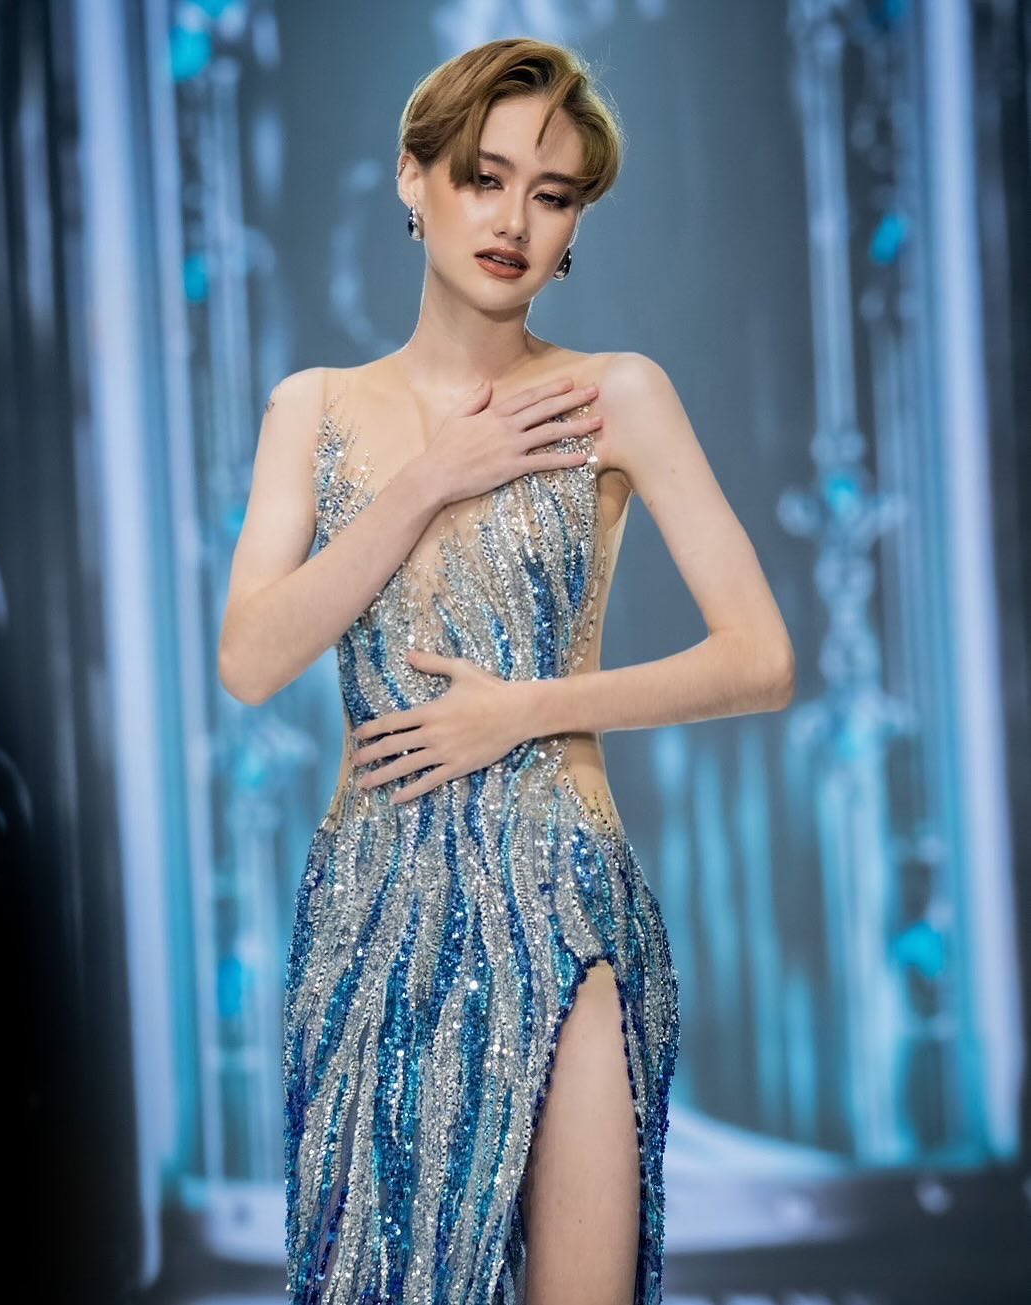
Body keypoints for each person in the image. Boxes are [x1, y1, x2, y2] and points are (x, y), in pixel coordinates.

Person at [219, 35, 794, 1305]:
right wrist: (432, 480)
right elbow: (250, 659)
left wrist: (527, 712)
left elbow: (760, 657)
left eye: (553, 194)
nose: (514, 221)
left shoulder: (615, 394)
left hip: (566, 891)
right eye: (483, 178)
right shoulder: (313, 409)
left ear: (577, 223)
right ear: (412, 178)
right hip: (372, 911)